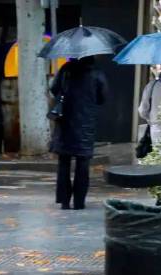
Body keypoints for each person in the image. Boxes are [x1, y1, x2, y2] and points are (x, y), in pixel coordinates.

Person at [49, 56, 108, 210]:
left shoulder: (65, 69)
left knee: (64, 162)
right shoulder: (97, 73)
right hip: (86, 123)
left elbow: (54, 88)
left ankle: (64, 201)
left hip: (65, 120)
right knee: (83, 163)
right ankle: (79, 202)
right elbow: (102, 97)